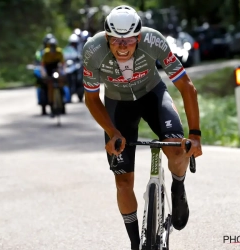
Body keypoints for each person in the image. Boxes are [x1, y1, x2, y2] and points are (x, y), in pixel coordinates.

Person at [82, 5, 202, 250]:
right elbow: (92, 99)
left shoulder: (154, 41)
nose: (122, 46)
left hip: (152, 95)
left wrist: (195, 135)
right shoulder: (92, 52)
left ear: (139, 37)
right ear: (107, 38)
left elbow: (187, 87)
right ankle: (135, 243)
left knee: (177, 149)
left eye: (129, 40)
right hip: (118, 105)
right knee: (123, 181)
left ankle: (178, 186)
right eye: (116, 40)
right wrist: (113, 132)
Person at [40, 37, 66, 117]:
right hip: (48, 70)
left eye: (54, 46)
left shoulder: (59, 52)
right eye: (51, 46)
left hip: (56, 69)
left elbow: (63, 64)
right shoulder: (45, 53)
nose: (52, 48)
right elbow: (42, 66)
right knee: (50, 85)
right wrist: (44, 74)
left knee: (61, 81)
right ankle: (51, 104)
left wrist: (64, 72)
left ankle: (62, 99)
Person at [34, 33, 55, 115]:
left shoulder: (58, 52)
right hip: (45, 72)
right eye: (48, 44)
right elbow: (38, 63)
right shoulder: (40, 53)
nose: (50, 46)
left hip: (54, 72)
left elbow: (62, 62)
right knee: (40, 83)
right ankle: (43, 102)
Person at [63, 33, 83, 102]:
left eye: (74, 43)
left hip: (76, 66)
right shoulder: (66, 49)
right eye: (72, 43)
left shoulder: (79, 49)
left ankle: (80, 90)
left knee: (80, 76)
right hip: (69, 67)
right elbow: (63, 56)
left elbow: (81, 56)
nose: (73, 44)